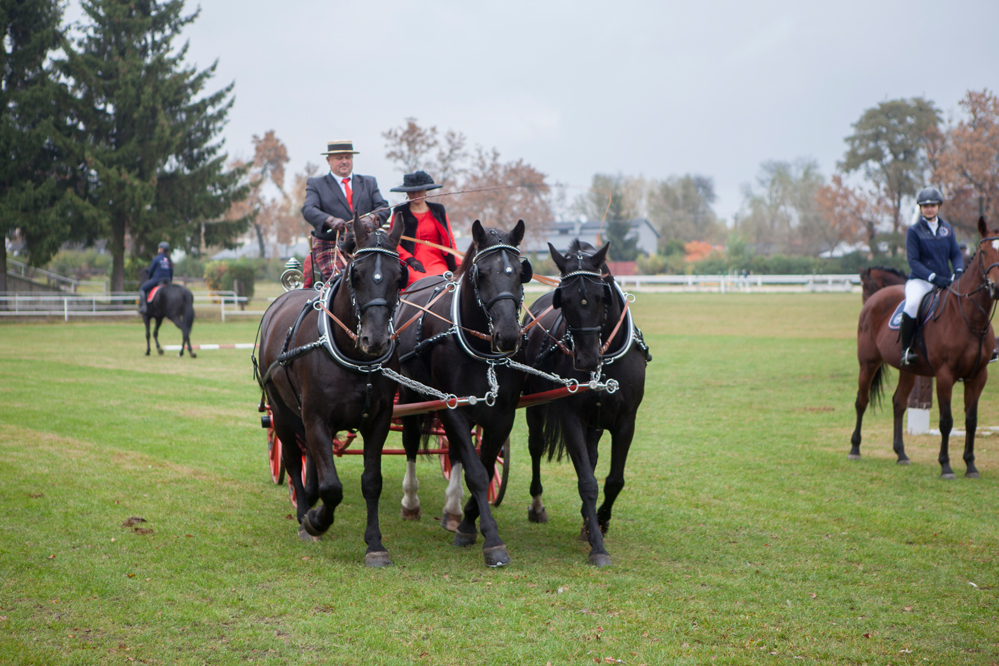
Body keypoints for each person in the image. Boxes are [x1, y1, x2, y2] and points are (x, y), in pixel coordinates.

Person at [301, 139, 389, 281]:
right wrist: (330, 220)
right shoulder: (316, 184)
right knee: (343, 279)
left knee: (381, 278)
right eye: (339, 158)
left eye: (348, 157)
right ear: (328, 160)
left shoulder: (369, 182)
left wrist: (371, 219)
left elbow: (383, 207)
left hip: (365, 245)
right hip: (331, 245)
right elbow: (308, 209)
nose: (344, 162)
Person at [900, 186, 963, 365]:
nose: (929, 209)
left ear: (938, 206)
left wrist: (958, 271)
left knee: (968, 302)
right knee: (912, 303)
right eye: (925, 206)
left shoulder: (947, 229)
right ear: (920, 208)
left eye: (933, 205)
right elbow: (913, 261)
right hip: (921, 281)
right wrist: (933, 277)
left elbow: (956, 254)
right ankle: (906, 350)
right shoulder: (914, 231)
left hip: (946, 280)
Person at [389, 171, 459, 287]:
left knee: (443, 281)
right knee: (416, 282)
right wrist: (410, 259)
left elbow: (450, 239)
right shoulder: (399, 212)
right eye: (412, 191)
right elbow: (393, 242)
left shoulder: (439, 210)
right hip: (411, 263)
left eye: (419, 190)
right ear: (407, 192)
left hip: (437, 261)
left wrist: (458, 264)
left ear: (426, 190)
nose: (416, 194)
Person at [138, 241, 173, 314]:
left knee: (142, 289)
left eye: (159, 248)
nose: (158, 249)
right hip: (167, 280)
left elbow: (151, 271)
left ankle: (144, 307)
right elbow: (171, 272)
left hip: (157, 279)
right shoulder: (169, 260)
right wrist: (170, 280)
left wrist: (149, 278)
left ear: (162, 249)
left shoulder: (156, 259)